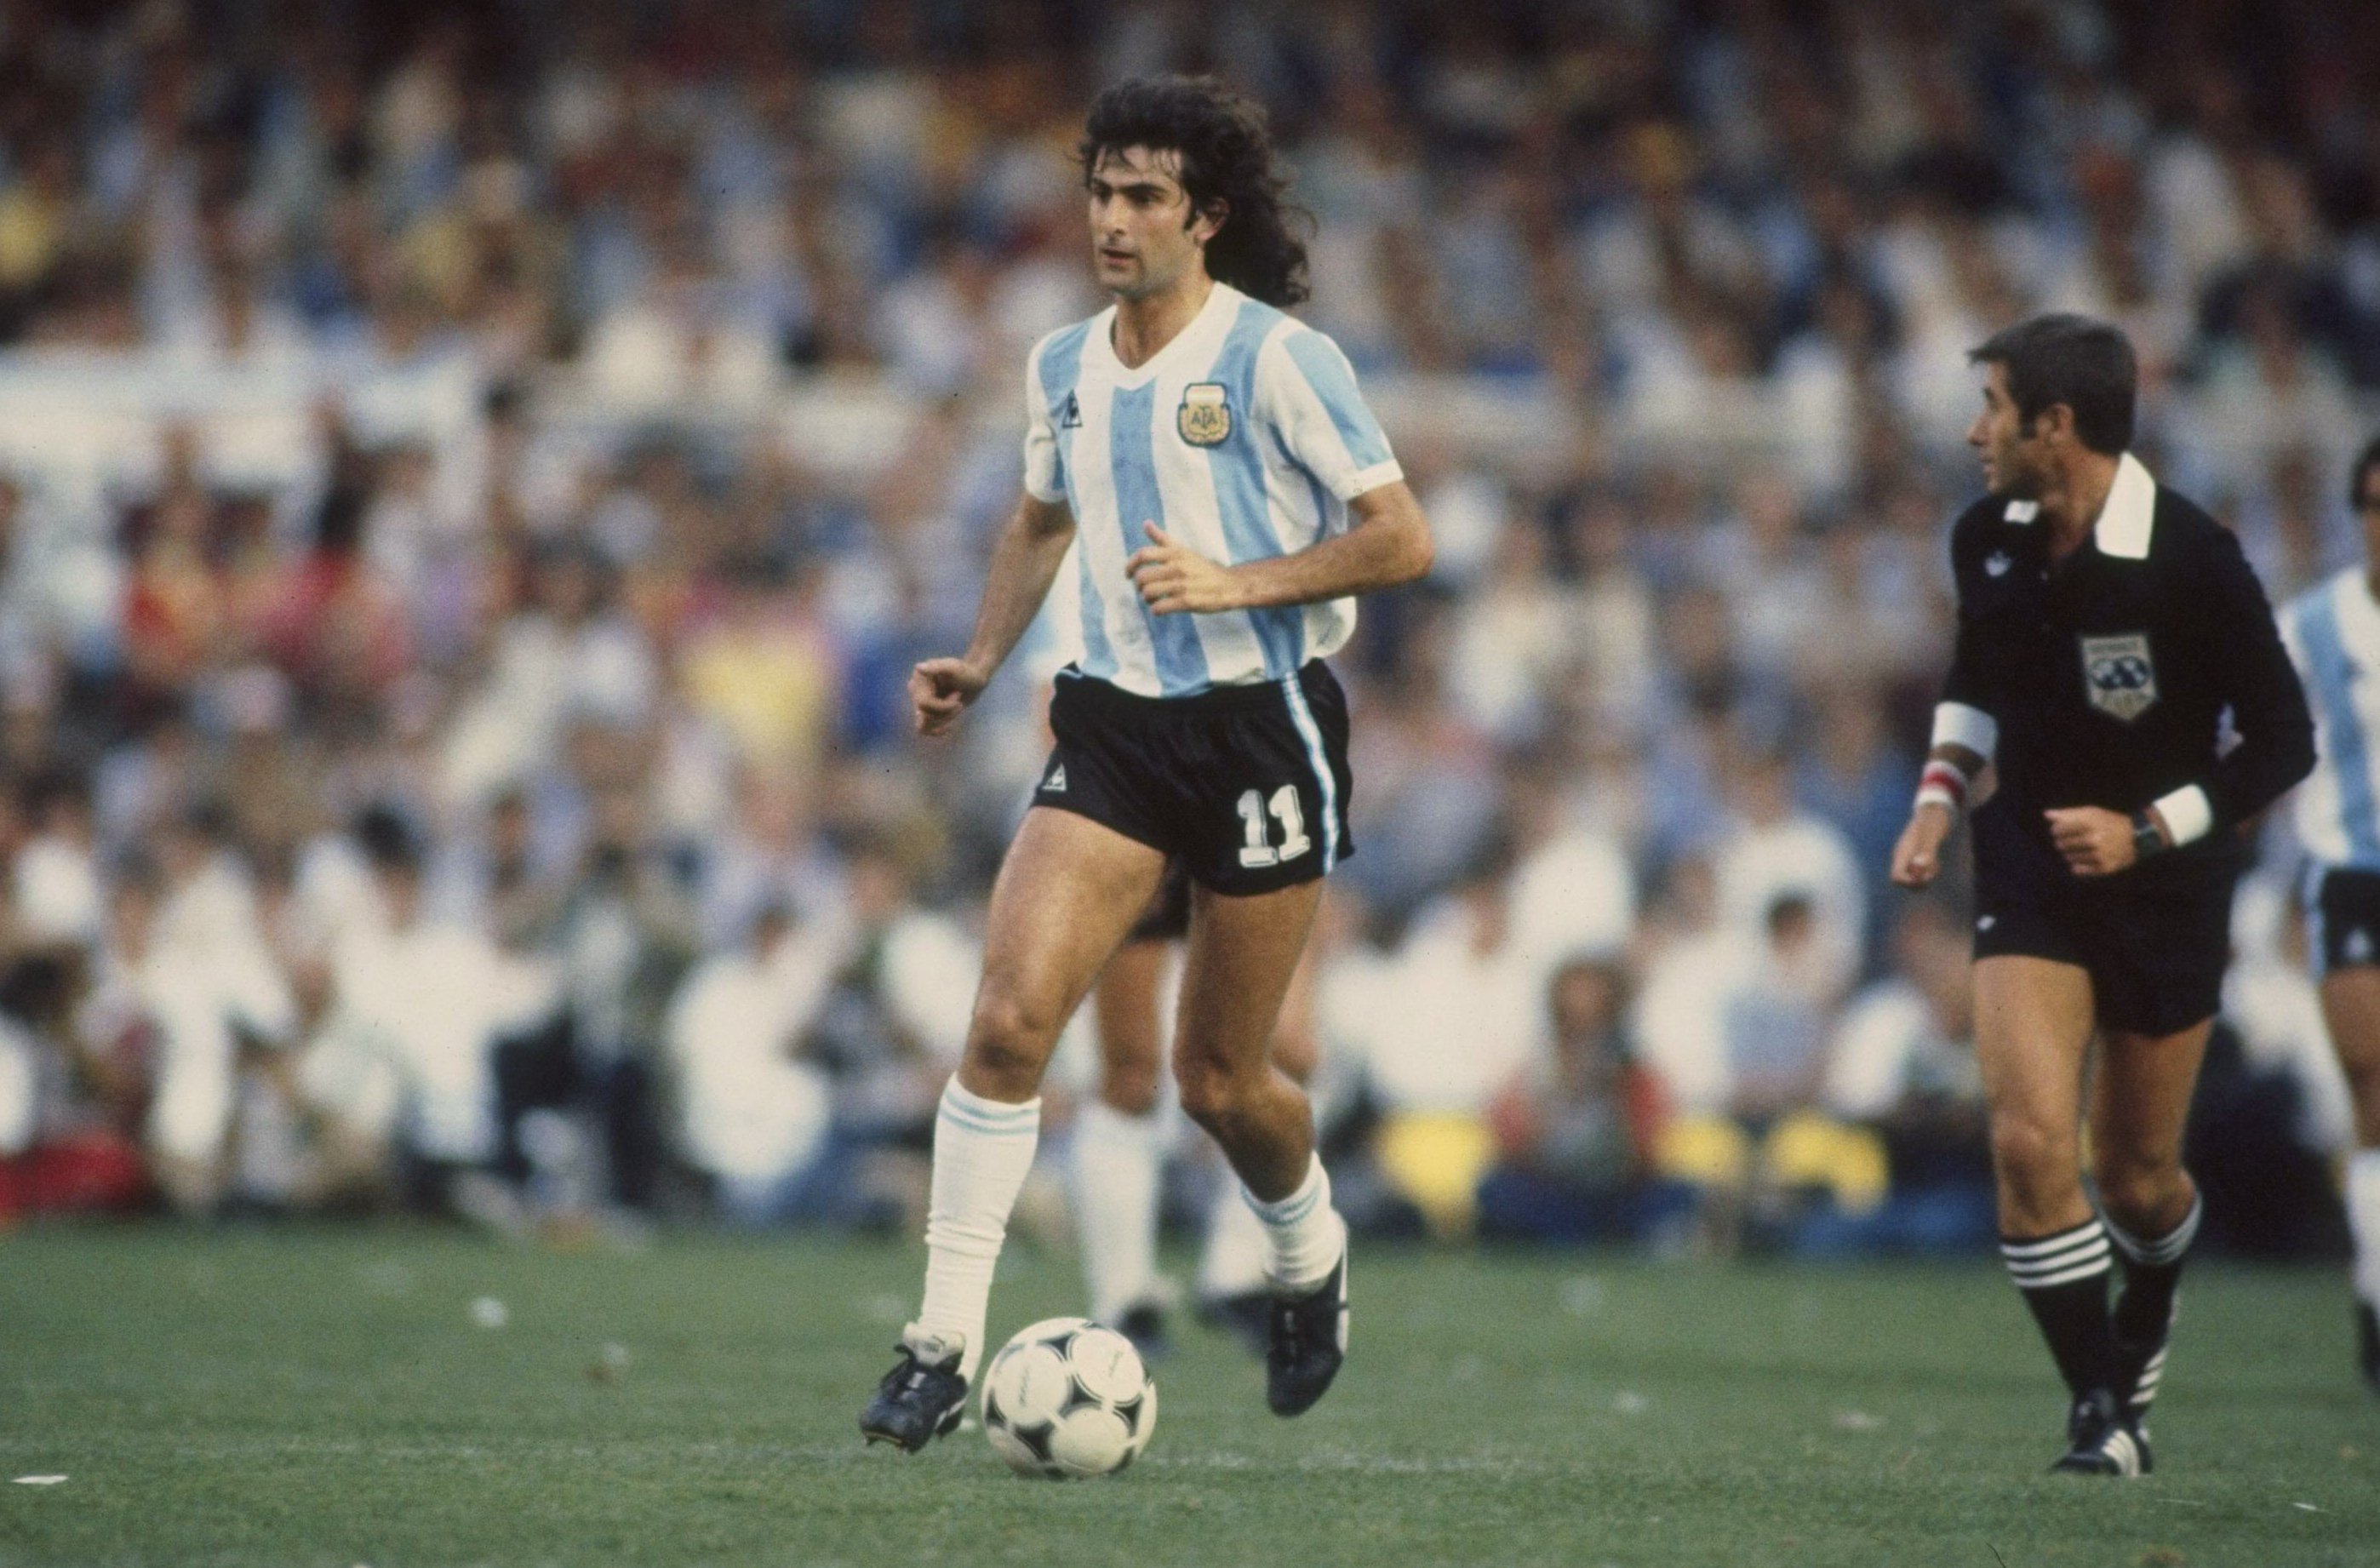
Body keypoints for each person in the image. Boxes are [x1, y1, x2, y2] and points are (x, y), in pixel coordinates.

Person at [860, 75, 1433, 1451]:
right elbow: (1039, 519)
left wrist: (1239, 581)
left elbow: (1401, 538)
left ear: (1205, 217)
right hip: (1111, 724)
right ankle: (937, 1343)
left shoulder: (1281, 360)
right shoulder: (1060, 362)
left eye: (1143, 198)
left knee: (1221, 1082)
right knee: (1007, 1025)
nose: (1111, 221)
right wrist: (984, 658)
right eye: (1099, 192)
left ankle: (1308, 1258)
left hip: (1260, 727)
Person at [1891, 314, 2314, 1475]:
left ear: (2055, 426)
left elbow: (2282, 742)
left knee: (2137, 1174)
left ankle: (2150, 1302)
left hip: (2167, 885)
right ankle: (2101, 1407)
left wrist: (2145, 830)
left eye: (1993, 405)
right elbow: (1978, 672)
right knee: (2031, 1142)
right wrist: (1940, 794)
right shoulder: (1988, 535)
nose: (1976, 429)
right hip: (2026, 861)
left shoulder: (2192, 558)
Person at [2275, 432, 2380, 1394]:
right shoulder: (2309, 626)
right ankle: (2375, 1287)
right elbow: (2257, 746)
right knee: (2370, 1082)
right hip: (2354, 871)